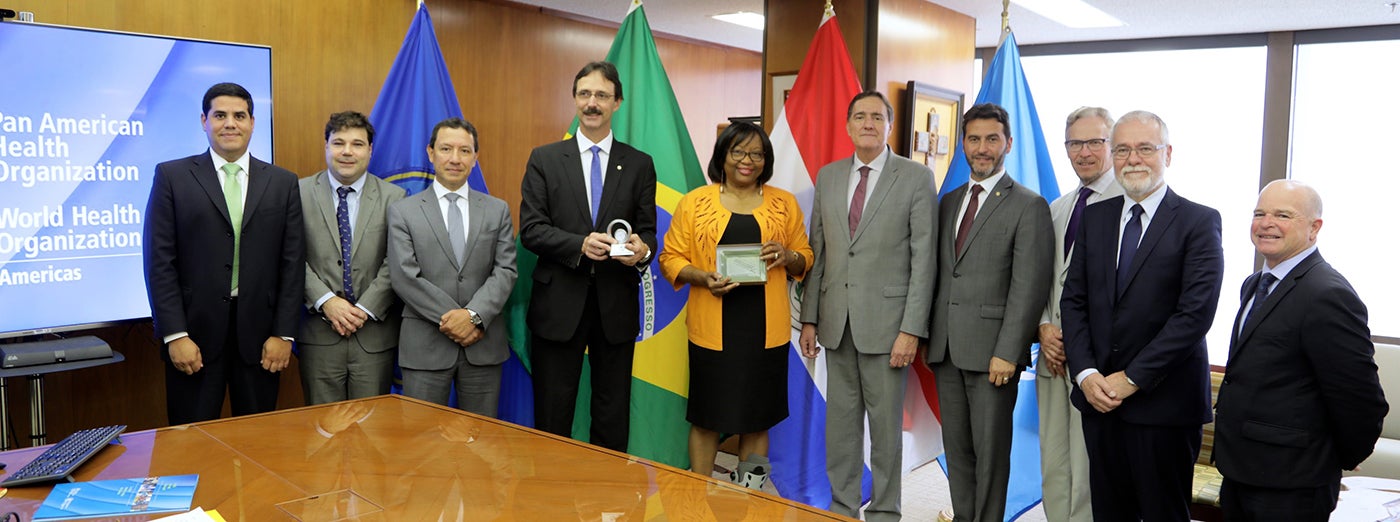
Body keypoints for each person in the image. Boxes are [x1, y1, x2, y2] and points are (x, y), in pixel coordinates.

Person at [1061, 110, 1224, 521]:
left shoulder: (1198, 221)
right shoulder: (1095, 217)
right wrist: (1085, 374)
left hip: (1164, 405)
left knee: (1162, 514)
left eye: (1145, 148)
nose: (1133, 158)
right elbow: (1073, 301)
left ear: (1167, 154)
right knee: (1109, 513)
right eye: (1122, 149)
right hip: (1099, 402)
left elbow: (1194, 316)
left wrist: (1132, 378)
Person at [798, 91, 936, 522]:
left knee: (884, 430)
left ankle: (885, 511)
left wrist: (911, 329)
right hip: (837, 324)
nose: (868, 123)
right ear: (848, 125)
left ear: (889, 126)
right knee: (840, 428)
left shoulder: (915, 177)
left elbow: (924, 258)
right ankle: (841, 507)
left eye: (877, 116)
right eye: (860, 116)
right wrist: (809, 319)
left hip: (888, 327)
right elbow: (819, 252)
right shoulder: (829, 176)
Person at [1215, 180, 1387, 521]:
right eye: (1259, 213)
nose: (1266, 223)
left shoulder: (1327, 294)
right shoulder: (1254, 284)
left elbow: (1360, 398)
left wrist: (1333, 460)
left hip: (1292, 483)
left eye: (1283, 215)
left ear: (1314, 227)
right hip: (1241, 471)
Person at [658, 122, 812, 488]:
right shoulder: (695, 202)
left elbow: (805, 257)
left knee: (758, 419)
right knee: (707, 418)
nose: (747, 161)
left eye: (757, 153)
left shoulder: (783, 202)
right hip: (712, 330)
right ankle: (698, 494)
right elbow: (670, 258)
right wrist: (702, 277)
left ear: (766, 160)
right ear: (723, 156)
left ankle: (751, 496)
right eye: (738, 152)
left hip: (766, 332)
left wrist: (788, 254)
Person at [143, 82, 305, 425]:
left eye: (239, 115)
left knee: (260, 443)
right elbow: (159, 262)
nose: (230, 123)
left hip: (262, 341)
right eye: (220, 115)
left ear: (252, 122)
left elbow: (292, 264)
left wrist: (284, 334)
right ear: (204, 120)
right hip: (194, 339)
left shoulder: (282, 182)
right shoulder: (172, 177)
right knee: (191, 442)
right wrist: (175, 334)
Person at [519, 61, 657, 452]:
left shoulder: (639, 163)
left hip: (616, 304)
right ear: (575, 99)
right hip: (558, 303)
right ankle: (553, 499)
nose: (591, 103)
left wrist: (641, 250)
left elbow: (647, 232)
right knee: (552, 410)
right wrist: (578, 244)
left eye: (601, 95)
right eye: (584, 94)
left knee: (612, 412)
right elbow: (531, 229)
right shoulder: (544, 159)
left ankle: (608, 504)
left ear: (617, 102)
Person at [926, 102, 1054, 522]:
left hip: (993, 357)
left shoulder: (1028, 205)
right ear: (963, 143)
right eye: (974, 139)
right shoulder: (948, 202)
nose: (982, 148)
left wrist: (1008, 350)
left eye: (992, 139)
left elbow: (1028, 286)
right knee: (958, 452)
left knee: (991, 456)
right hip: (946, 350)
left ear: (1008, 144)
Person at [387, 117, 517, 416]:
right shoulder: (403, 211)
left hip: (482, 346)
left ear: (475, 158)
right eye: (446, 149)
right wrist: (455, 321)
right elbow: (404, 277)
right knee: (421, 445)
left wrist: (473, 316)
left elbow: (506, 271)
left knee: (481, 442)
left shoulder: (497, 210)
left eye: (465, 151)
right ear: (430, 153)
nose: (455, 159)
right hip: (425, 347)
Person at [1037, 106, 1122, 522]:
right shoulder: (1058, 207)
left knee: (1090, 468)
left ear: (1112, 146)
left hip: (1096, 363)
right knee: (1054, 462)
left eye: (1094, 142)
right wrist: (1044, 328)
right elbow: (1042, 281)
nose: (1084, 152)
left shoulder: (1128, 205)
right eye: (1075, 143)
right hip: (1051, 356)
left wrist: (1075, 339)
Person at [298, 111, 406, 405]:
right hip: (318, 334)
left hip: (374, 335)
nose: (347, 152)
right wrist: (327, 301)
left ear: (370, 150)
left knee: (371, 432)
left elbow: (397, 261)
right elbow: (290, 257)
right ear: (326, 146)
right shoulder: (298, 192)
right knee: (324, 430)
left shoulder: (395, 197)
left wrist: (365, 309)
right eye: (338, 143)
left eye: (357, 144)